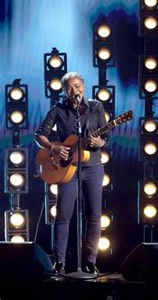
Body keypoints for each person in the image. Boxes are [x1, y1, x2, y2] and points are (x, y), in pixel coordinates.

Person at [35, 72, 109, 275]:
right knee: (63, 215)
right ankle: (59, 262)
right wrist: (53, 148)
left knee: (94, 215)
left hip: (92, 167)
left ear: (83, 86)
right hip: (67, 169)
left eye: (76, 86)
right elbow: (39, 135)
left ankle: (90, 262)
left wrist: (99, 142)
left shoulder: (96, 107)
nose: (73, 90)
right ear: (64, 90)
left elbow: (106, 137)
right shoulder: (58, 109)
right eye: (68, 87)